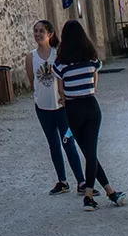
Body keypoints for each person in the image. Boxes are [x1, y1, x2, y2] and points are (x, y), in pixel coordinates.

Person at [53, 19, 127, 211]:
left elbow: (61, 90)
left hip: (73, 109)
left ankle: (110, 192)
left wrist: (66, 98)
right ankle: (89, 196)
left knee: (88, 152)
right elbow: (95, 82)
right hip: (90, 106)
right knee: (91, 152)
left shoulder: (60, 64)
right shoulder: (92, 59)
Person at [24, 19, 84, 194]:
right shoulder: (31, 57)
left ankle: (81, 181)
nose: (37, 34)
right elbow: (31, 81)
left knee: (68, 142)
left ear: (50, 34)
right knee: (53, 144)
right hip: (43, 108)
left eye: (41, 31)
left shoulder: (59, 55)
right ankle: (62, 181)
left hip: (62, 108)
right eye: (35, 31)